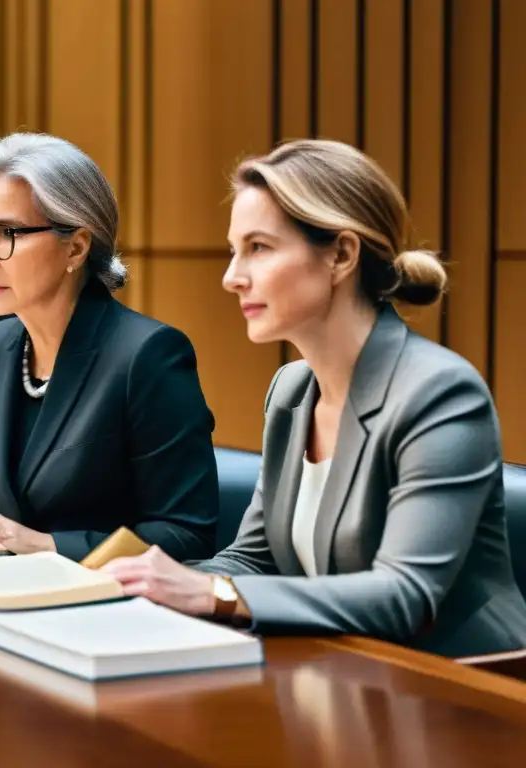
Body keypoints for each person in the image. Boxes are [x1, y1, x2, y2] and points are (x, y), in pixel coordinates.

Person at [101, 139, 526, 657]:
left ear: (342, 254)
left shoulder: (441, 393)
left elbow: (404, 596)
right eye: (235, 250)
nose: (232, 277)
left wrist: (211, 592)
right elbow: (255, 559)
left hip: (470, 689)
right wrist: (131, 586)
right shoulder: (291, 388)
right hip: (346, 673)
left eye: (258, 247)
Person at [0, 133, 219, 563]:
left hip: (112, 611)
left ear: (76, 246)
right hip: (15, 600)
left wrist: (49, 546)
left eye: (6, 232)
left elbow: (186, 533)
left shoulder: (148, 355)